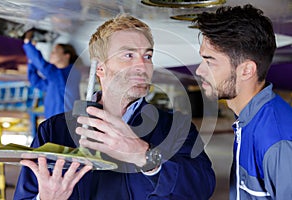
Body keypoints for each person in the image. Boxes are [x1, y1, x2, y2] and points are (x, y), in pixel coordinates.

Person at [14, 14, 216, 199]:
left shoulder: (175, 126)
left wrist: (145, 156)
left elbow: (202, 189)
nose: (142, 65)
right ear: (100, 67)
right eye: (128, 55)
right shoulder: (54, 131)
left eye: (147, 56)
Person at [196, 4, 292, 200]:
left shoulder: (277, 142)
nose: (199, 70)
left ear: (246, 70)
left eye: (209, 61)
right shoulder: (248, 120)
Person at [23, 32, 81, 119]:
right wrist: (30, 52)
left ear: (66, 56)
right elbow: (35, 80)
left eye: (54, 52)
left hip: (62, 124)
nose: (51, 54)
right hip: (57, 124)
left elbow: (44, 67)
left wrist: (29, 45)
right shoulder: (57, 79)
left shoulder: (69, 74)